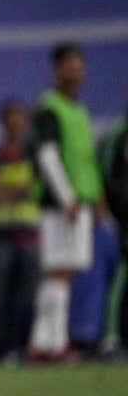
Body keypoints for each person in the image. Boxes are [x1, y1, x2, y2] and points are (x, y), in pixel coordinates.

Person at [28, 43, 103, 360]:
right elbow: (47, 156)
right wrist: (68, 198)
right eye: (69, 64)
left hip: (81, 201)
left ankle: (43, 343)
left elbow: (85, 159)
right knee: (59, 271)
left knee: (62, 272)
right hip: (60, 203)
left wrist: (96, 197)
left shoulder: (79, 110)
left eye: (79, 64)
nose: (76, 70)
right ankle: (55, 345)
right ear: (56, 69)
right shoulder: (50, 107)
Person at [0, 98, 40, 359]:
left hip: (29, 235)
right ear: (2, 123)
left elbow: (38, 188)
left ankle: (22, 347)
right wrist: (20, 189)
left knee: (27, 297)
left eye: (19, 117)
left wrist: (5, 189)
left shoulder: (36, 155)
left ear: (25, 122)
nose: (15, 123)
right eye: (10, 117)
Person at [100, 91, 128, 352]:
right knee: (123, 271)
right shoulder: (118, 133)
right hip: (125, 216)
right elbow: (108, 176)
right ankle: (110, 336)